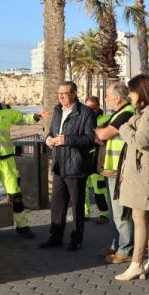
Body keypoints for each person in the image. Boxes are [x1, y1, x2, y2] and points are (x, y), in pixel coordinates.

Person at [114, 74, 149, 281]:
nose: (129, 95)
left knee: (139, 218)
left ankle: (136, 264)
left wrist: (124, 127)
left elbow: (141, 141)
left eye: (131, 91)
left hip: (144, 175)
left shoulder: (148, 116)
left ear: (141, 92)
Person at [0, 81, 49, 239]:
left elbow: (21, 118)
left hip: (8, 160)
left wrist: (36, 116)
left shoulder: (5, 109)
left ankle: (22, 226)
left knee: (16, 195)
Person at [41, 81, 96, 251]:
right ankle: (55, 236)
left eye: (64, 93)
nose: (61, 97)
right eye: (59, 94)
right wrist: (48, 139)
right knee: (57, 204)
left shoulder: (85, 113)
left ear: (74, 93)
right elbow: (52, 131)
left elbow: (90, 139)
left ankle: (76, 239)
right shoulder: (58, 110)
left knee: (77, 206)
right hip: (59, 165)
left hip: (76, 166)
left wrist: (67, 140)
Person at [95, 82, 135, 264]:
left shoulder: (126, 112)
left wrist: (95, 131)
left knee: (121, 213)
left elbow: (104, 134)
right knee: (113, 213)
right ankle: (116, 244)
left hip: (121, 170)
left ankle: (126, 249)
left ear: (118, 98)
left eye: (108, 96)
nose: (106, 99)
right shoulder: (118, 113)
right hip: (112, 169)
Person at [83, 96, 110, 224]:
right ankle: (85, 213)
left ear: (98, 106)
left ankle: (105, 214)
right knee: (83, 188)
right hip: (83, 159)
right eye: (87, 108)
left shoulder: (106, 120)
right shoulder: (82, 119)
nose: (90, 110)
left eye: (93, 108)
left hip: (97, 159)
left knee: (100, 189)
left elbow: (106, 137)